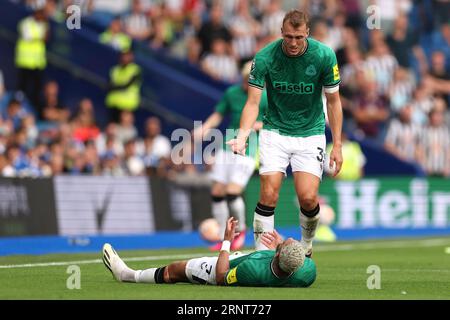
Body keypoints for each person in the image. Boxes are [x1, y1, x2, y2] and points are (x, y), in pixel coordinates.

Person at [227, 10, 343, 257]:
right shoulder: (265, 57)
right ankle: (261, 254)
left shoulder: (324, 55)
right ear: (281, 33)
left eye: (298, 37)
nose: (293, 42)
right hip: (275, 131)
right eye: (288, 37)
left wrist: (338, 145)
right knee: (268, 194)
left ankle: (306, 246)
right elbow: (252, 103)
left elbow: (333, 102)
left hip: (311, 133)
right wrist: (243, 134)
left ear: (307, 34)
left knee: (309, 198)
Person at [102, 217, 316, 287]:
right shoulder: (306, 272)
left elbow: (222, 277)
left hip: (225, 268)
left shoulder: (253, 271)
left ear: (278, 254)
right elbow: (302, 256)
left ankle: (127, 275)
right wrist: (280, 243)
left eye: (288, 242)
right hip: (252, 259)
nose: (290, 239)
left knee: (175, 270)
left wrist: (226, 241)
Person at [192, 61, 268, 251]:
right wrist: (205, 128)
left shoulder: (265, 97)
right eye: (245, 79)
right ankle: (222, 236)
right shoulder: (232, 93)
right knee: (217, 192)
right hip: (228, 146)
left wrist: (254, 126)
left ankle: (241, 230)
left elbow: (273, 123)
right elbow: (218, 114)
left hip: (248, 149)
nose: (246, 83)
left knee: (232, 192)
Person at [15, 7, 49, 108]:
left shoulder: (44, 24)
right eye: (40, 13)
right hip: (25, 61)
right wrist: (40, 36)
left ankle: (34, 106)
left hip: (37, 62)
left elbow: (46, 38)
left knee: (37, 88)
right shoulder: (25, 23)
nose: (42, 16)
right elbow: (27, 36)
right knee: (22, 86)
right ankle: (18, 105)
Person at [105, 51, 142, 123]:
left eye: (127, 56)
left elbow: (126, 85)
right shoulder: (114, 69)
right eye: (123, 56)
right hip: (113, 104)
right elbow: (108, 84)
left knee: (124, 127)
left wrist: (114, 87)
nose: (125, 58)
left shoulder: (135, 70)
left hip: (127, 106)